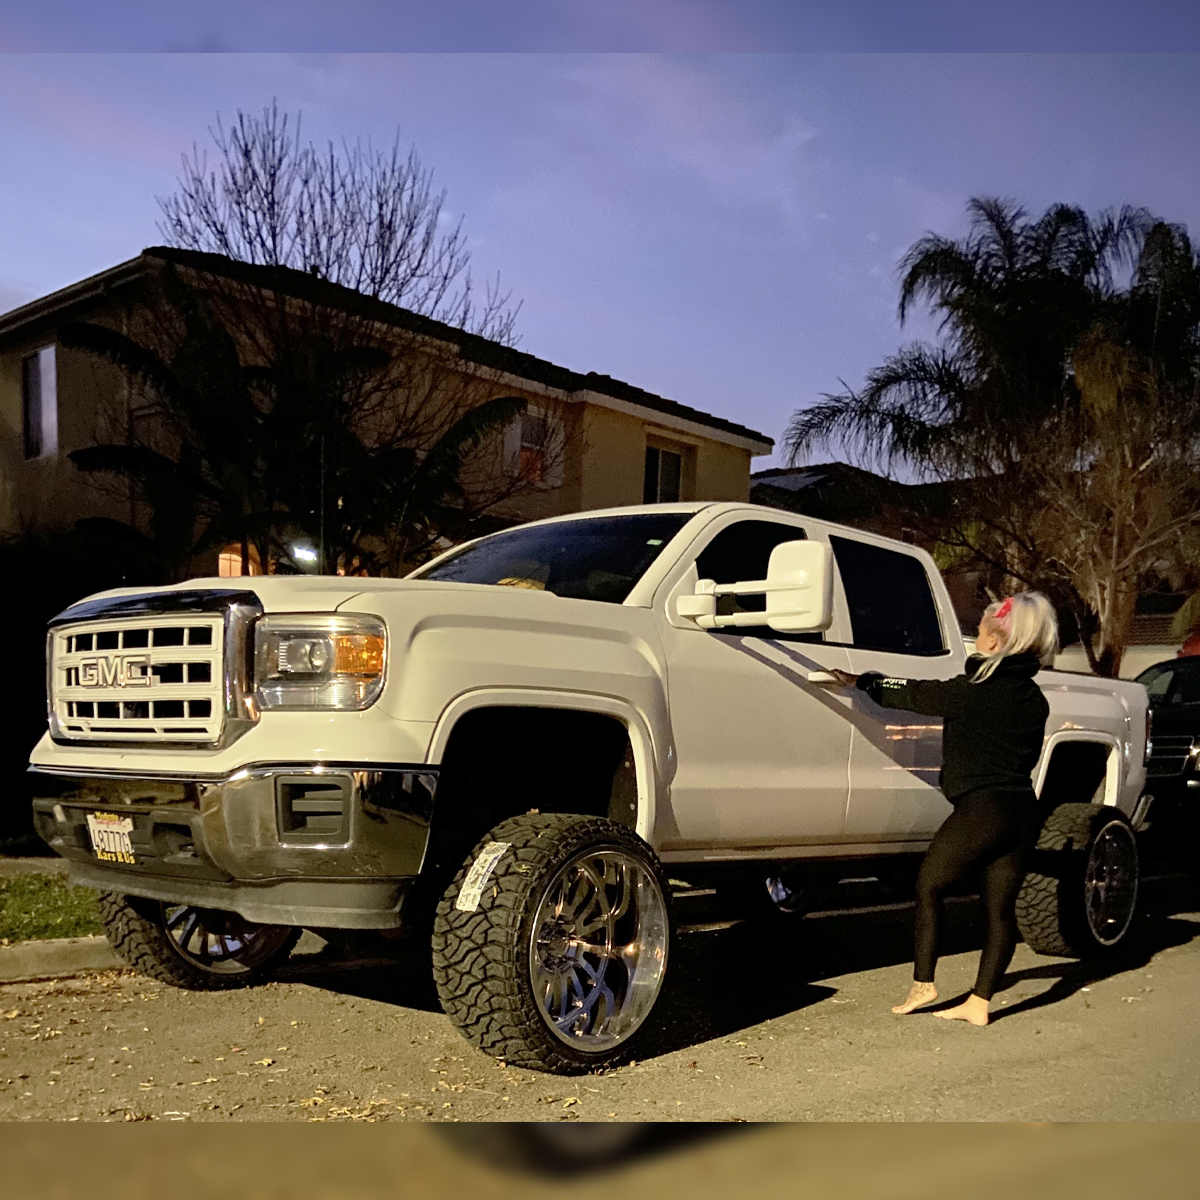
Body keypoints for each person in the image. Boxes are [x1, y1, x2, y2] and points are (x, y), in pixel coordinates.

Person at [830, 592, 1059, 1026]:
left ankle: (924, 983)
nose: (976, 638)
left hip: (983, 808)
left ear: (996, 642)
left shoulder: (975, 691)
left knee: (930, 885)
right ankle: (980, 1002)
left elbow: (911, 694)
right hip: (1022, 810)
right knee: (999, 911)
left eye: (982, 631)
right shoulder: (1034, 699)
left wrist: (863, 679)